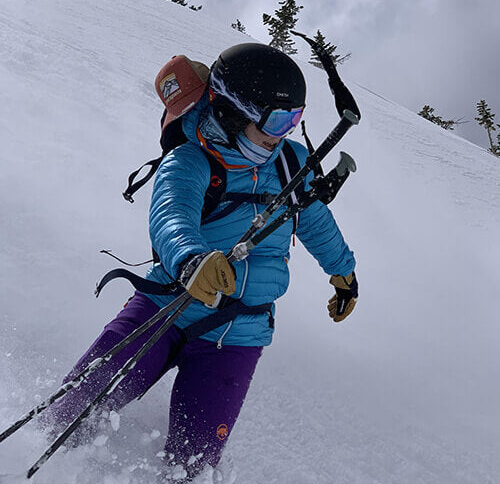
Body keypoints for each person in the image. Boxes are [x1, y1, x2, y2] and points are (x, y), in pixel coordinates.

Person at [46, 43, 358, 482]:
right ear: (233, 112)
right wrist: (192, 260)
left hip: (238, 336)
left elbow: (316, 221)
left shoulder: (291, 165)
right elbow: (171, 214)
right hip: (162, 310)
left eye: (294, 120)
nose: (283, 133)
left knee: (192, 467)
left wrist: (343, 272)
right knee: (74, 409)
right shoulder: (191, 159)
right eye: (275, 121)